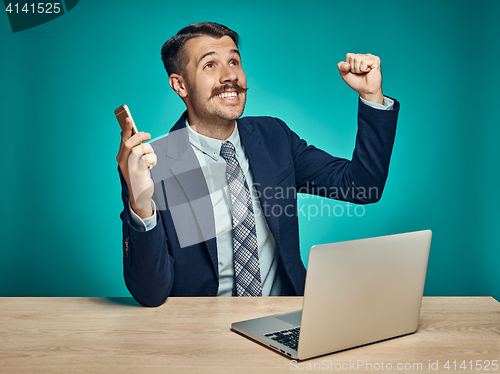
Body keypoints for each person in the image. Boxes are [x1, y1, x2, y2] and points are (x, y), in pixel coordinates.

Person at [116, 22, 399, 307]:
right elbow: (151, 293)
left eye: (234, 61)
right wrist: (141, 204)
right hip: (201, 335)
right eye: (210, 65)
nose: (230, 76)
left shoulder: (274, 137)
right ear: (180, 84)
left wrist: (371, 97)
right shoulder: (156, 163)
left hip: (284, 319)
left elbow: (363, 187)